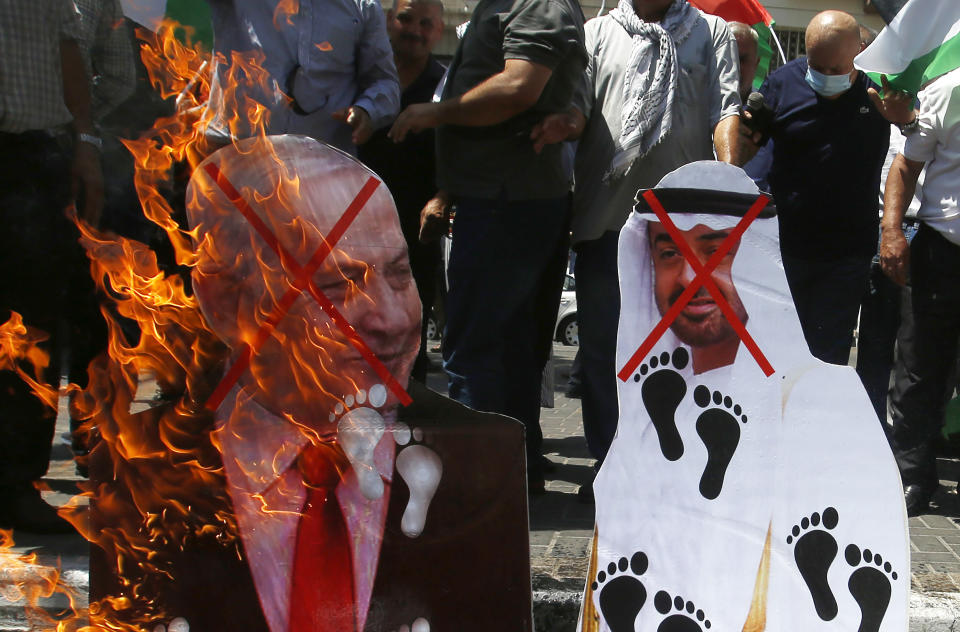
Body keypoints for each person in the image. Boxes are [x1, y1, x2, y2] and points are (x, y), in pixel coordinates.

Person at [89, 135, 532, 631]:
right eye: (335, 286)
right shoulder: (142, 467)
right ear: (221, 301)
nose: (390, 319)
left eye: (400, 273)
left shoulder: (483, 462)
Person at [584, 161, 909, 632]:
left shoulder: (822, 396)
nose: (691, 278)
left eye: (716, 253)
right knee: (631, 486)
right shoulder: (644, 406)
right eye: (669, 253)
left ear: (757, 260)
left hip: (768, 571)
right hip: (668, 511)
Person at [388, 0, 587, 492]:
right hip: (505, 198)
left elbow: (521, 85)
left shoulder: (536, 2)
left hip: (507, 203)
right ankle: (513, 478)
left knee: (476, 350)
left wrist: (437, 113)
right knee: (512, 349)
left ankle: (477, 490)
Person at [567, 0, 741, 468]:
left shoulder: (712, 31)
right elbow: (576, 110)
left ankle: (674, 467)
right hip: (605, 222)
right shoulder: (597, 33)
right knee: (606, 350)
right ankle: (611, 463)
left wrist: (732, 187)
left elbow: (725, 110)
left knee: (683, 350)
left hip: (686, 230)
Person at [742, 10, 912, 366]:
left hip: (846, 255)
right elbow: (751, 152)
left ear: (859, 53)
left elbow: (916, 147)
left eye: (837, 69)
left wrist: (905, 121)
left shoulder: (880, 92)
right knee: (774, 351)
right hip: (783, 249)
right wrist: (749, 132)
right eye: (818, 67)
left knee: (826, 356)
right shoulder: (782, 84)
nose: (826, 77)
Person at [0, 0, 103, 533]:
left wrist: (86, 143)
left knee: (32, 326)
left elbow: (71, 50)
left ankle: (20, 483)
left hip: (34, 159)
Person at [881, 65, 960, 516]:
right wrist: (892, 231)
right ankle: (912, 475)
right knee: (918, 368)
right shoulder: (948, 92)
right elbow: (906, 166)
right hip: (942, 252)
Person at [359, 0, 446, 382]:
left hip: (416, 234)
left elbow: (456, 154)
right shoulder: (362, 82)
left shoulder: (445, 88)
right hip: (353, 231)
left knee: (410, 335)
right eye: (406, 19)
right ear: (387, 22)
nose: (414, 30)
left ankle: (408, 423)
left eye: (426, 24)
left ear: (438, 32)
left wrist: (443, 200)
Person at [204, 0, 401, 153]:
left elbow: (384, 81)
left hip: (322, 174)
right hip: (235, 164)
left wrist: (366, 111)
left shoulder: (362, 5)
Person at [729, 21, 759, 102]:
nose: (736, 67)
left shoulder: (769, 108)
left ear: (756, 64)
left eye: (742, 59)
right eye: (730, 58)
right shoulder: (698, 104)